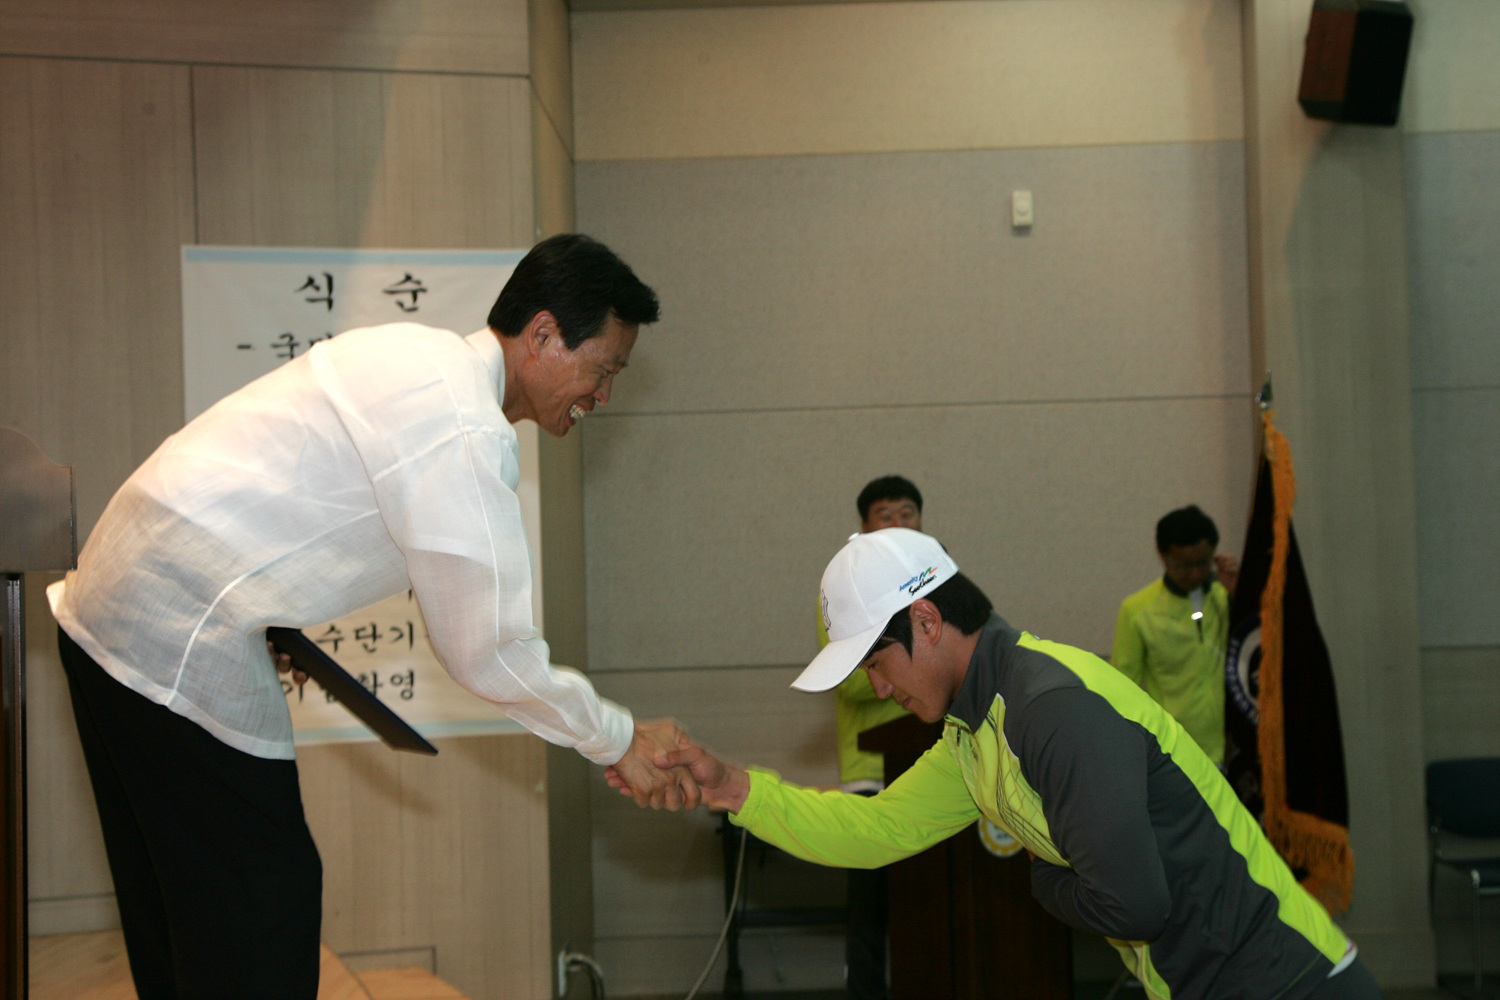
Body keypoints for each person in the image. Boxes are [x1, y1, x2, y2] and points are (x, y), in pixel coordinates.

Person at [48, 234, 696, 1000]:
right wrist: (615, 737)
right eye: (605, 369)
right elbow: (488, 652)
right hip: (170, 628)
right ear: (545, 334)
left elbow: (279, 490)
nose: (604, 396)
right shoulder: (463, 427)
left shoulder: (414, 355)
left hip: (110, 602)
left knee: (182, 905)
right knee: (262, 900)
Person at [625, 528, 1380, 1000]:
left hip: (1287, 981)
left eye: (876, 662)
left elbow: (1134, 905)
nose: (876, 687)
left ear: (926, 619)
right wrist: (733, 788)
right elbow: (877, 829)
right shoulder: (974, 727)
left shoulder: (1050, 707)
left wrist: (1044, 883)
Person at [816, 475, 924, 999]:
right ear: (863, 527)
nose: (900, 523)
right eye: (888, 514)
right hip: (868, 774)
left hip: (932, 767)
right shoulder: (842, 590)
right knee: (870, 909)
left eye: (909, 512)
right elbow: (854, 683)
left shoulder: (934, 582)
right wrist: (912, 666)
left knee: (925, 903)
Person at [1111, 504, 1239, 766]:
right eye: (1182, 565)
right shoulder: (1137, 610)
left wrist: (1241, 593)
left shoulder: (1226, 596)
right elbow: (1122, 694)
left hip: (1233, 749)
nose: (1194, 574)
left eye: (1202, 563)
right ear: (1162, 555)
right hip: (1176, 755)